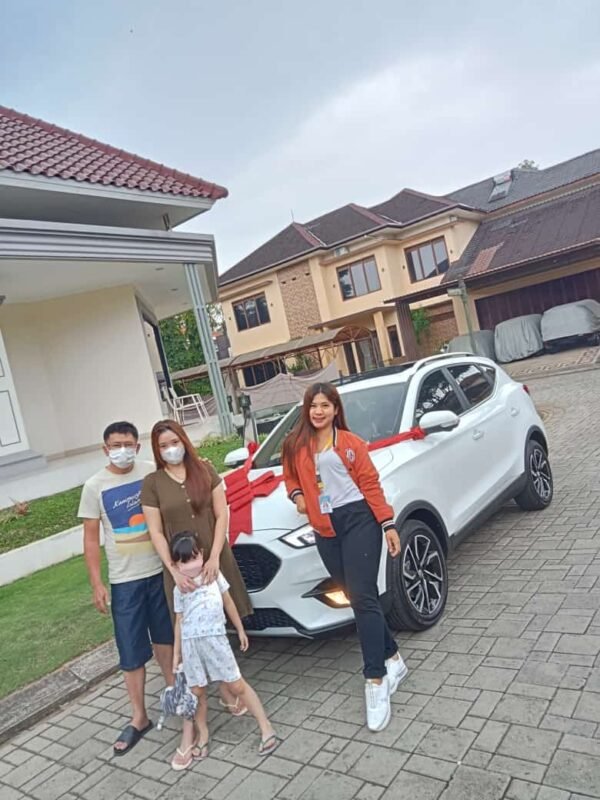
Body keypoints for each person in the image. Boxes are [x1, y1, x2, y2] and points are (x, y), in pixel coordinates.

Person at [282, 383, 408, 732]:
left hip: (359, 520)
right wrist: (298, 496)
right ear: (306, 409)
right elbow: (289, 476)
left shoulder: (351, 443)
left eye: (325, 405)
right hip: (325, 528)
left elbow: (370, 485)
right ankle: (393, 657)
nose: (318, 411)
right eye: (313, 405)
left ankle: (376, 679)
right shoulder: (296, 444)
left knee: (363, 596)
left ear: (336, 409)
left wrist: (387, 524)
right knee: (356, 596)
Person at [141, 419, 253, 765]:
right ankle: (212, 699)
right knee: (192, 631)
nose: (170, 449)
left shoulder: (204, 470)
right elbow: (155, 532)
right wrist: (174, 570)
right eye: (163, 446)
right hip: (183, 572)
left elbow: (222, 514)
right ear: (157, 451)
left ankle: (226, 688)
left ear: (184, 441)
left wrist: (215, 556)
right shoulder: (153, 483)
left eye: (174, 442)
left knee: (218, 622)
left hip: (214, 560)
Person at [78, 421, 174, 756]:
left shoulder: (150, 472)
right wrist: (97, 583)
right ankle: (139, 716)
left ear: (138, 446)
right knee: (131, 652)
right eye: (116, 445)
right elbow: (91, 539)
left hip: (159, 572)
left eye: (128, 444)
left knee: (166, 640)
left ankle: (175, 694)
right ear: (105, 449)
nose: (123, 450)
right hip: (125, 582)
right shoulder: (94, 487)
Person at [168, 531, 279, 769]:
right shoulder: (180, 589)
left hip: (216, 642)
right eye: (184, 562)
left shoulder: (214, 575)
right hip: (191, 646)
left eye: (194, 557)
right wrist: (176, 654)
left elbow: (228, 602)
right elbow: (179, 621)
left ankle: (266, 727)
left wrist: (240, 629)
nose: (191, 565)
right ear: (176, 565)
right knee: (197, 692)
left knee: (237, 685)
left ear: (202, 554)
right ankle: (203, 734)